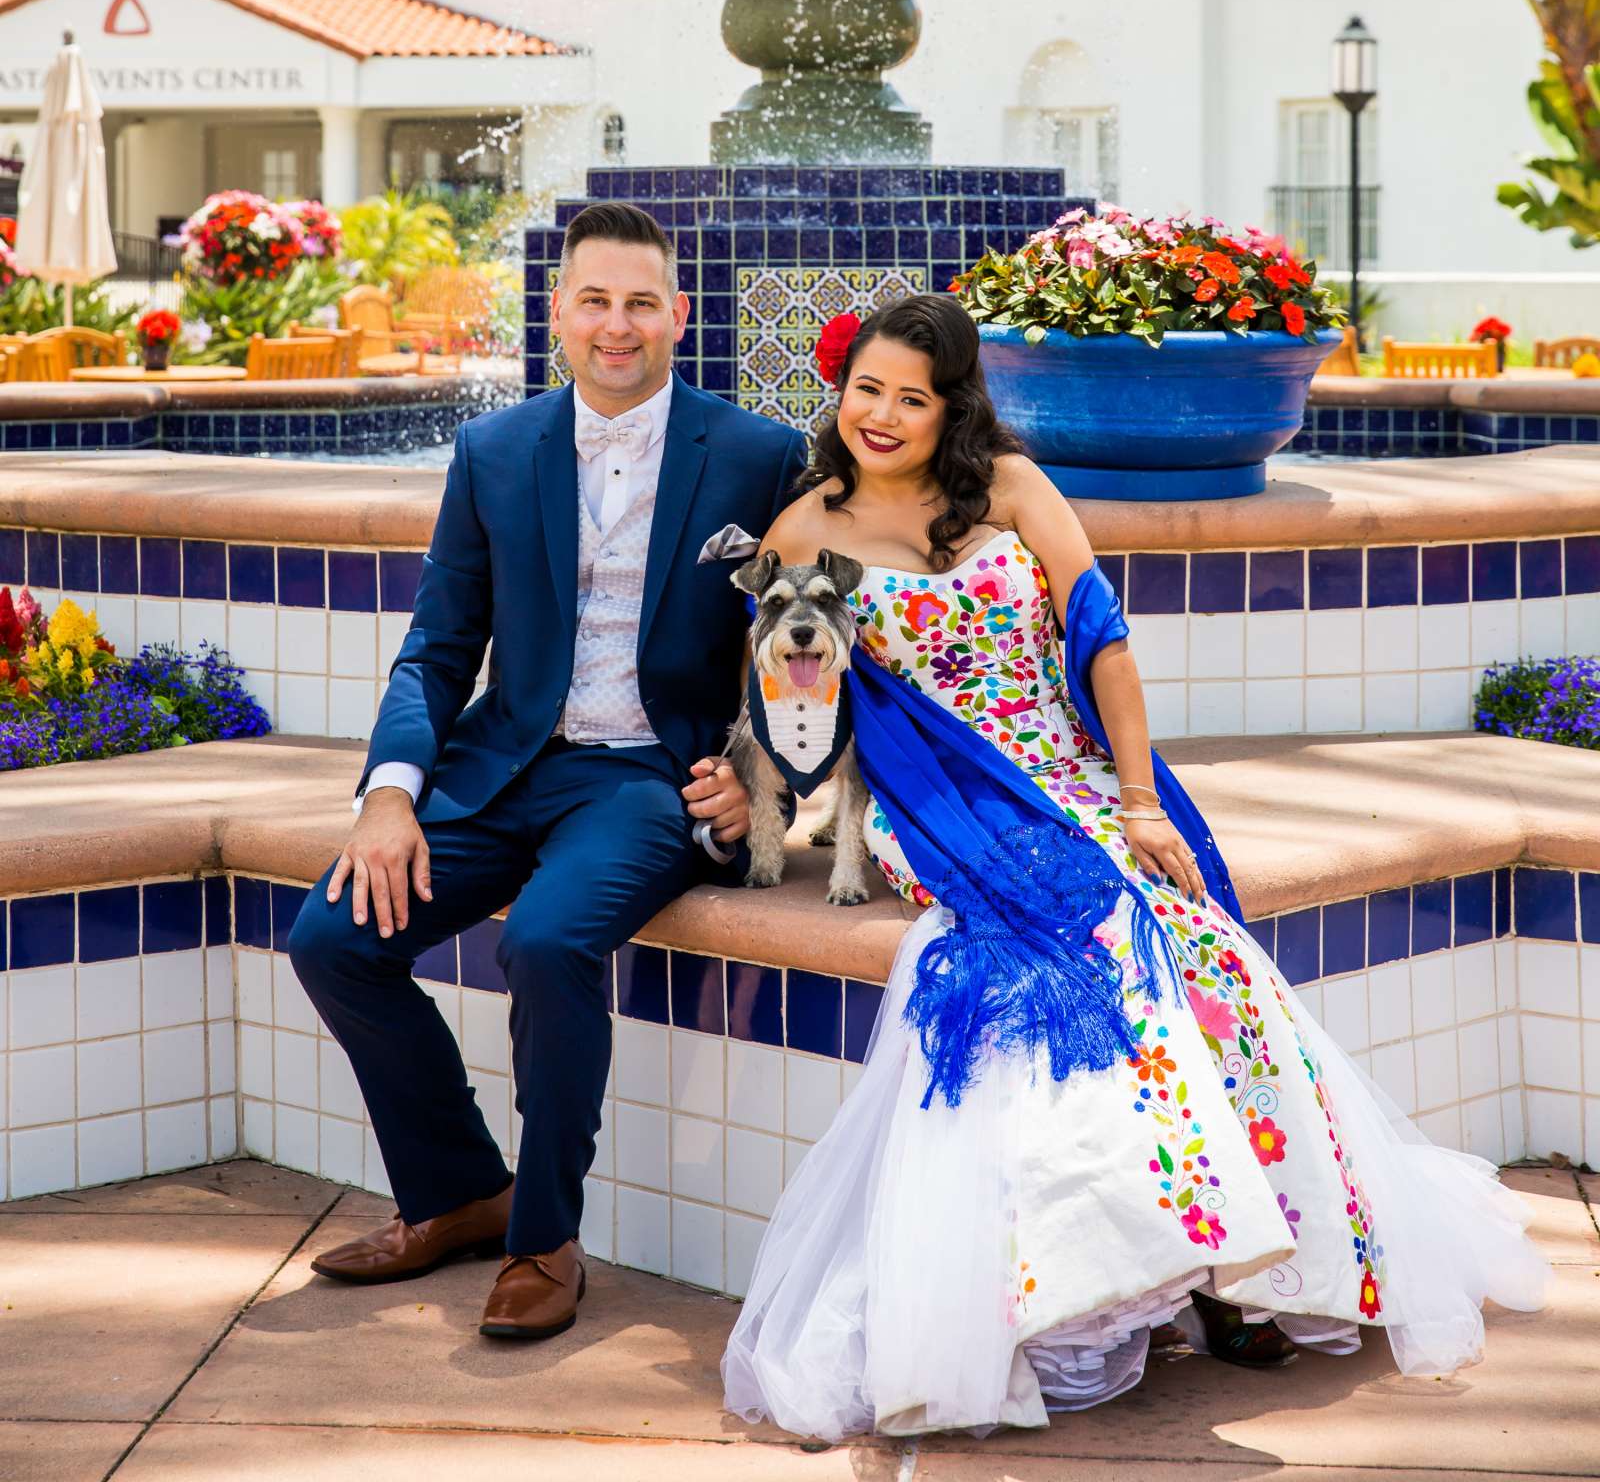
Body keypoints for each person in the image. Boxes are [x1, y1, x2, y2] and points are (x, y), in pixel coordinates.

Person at [723, 294, 1546, 1441]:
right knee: (1097, 938)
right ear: (840, 391)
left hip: (1073, 770)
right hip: (951, 799)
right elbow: (782, 703)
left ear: (952, 406)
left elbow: (1099, 638)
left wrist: (1141, 797)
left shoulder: (1009, 488)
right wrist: (747, 792)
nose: (884, 414)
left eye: (913, 396)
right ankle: (1139, 1262)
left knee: (1203, 946)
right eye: (868, 389)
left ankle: (1247, 1263)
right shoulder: (802, 531)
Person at [289, 201, 805, 1342]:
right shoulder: (494, 449)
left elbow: (800, 642)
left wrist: (758, 773)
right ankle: (461, 1192)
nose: (615, 326)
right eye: (592, 302)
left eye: (637, 303)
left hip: (642, 780)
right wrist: (387, 797)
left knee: (549, 940)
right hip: (502, 763)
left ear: (678, 316)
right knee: (330, 941)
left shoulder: (764, 455)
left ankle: (545, 1239)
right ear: (557, 316)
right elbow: (437, 646)